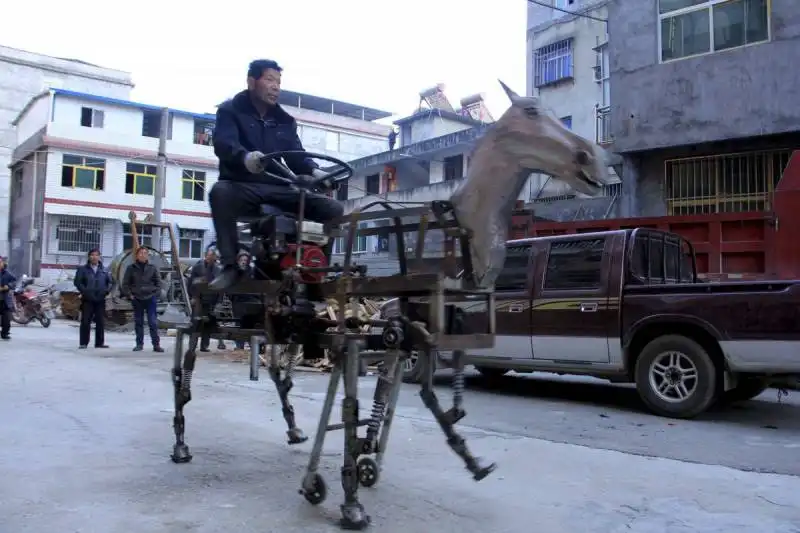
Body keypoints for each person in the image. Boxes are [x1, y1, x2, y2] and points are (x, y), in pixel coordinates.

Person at [208, 58, 345, 290]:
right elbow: (224, 144)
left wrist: (316, 171)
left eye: (279, 82)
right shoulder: (229, 111)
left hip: (278, 187)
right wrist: (244, 157)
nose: (275, 87)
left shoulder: (284, 120)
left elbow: (296, 156)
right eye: (270, 80)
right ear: (252, 81)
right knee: (219, 192)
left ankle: (316, 271)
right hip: (243, 185)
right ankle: (230, 266)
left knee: (333, 209)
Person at [120, 247, 164, 352]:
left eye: (145, 253)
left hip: (150, 298)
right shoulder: (131, 268)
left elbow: (159, 283)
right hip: (137, 298)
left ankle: (156, 344)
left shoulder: (152, 268)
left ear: (148, 255)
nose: (143, 255)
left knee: (152, 322)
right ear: (137, 255)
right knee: (138, 322)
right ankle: (139, 344)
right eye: (141, 253)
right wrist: (130, 295)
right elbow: (125, 284)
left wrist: (155, 294)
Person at [73, 248, 111, 349]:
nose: (94, 257)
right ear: (89, 257)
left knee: (100, 321)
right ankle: (83, 343)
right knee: (86, 321)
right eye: (92, 255)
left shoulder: (105, 270)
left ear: (99, 257)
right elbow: (77, 282)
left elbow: (110, 282)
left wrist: (106, 291)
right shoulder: (82, 269)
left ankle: (99, 343)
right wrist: (85, 291)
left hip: (100, 298)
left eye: (96, 255)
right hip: (87, 299)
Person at [188, 247, 222, 352]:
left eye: (213, 256)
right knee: (196, 323)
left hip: (211, 299)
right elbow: (190, 283)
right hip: (199, 299)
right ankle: (192, 345)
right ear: (205, 256)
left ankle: (204, 345)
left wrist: (219, 302)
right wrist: (192, 296)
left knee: (207, 323)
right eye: (209, 255)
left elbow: (221, 287)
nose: (211, 258)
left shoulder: (218, 270)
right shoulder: (198, 267)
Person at [0, 256, 17, 340]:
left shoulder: (7, 274)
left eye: (0, 262)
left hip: (4, 300)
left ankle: (5, 333)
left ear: (3, 263)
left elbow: (14, 281)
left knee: (6, 319)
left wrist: (8, 286)